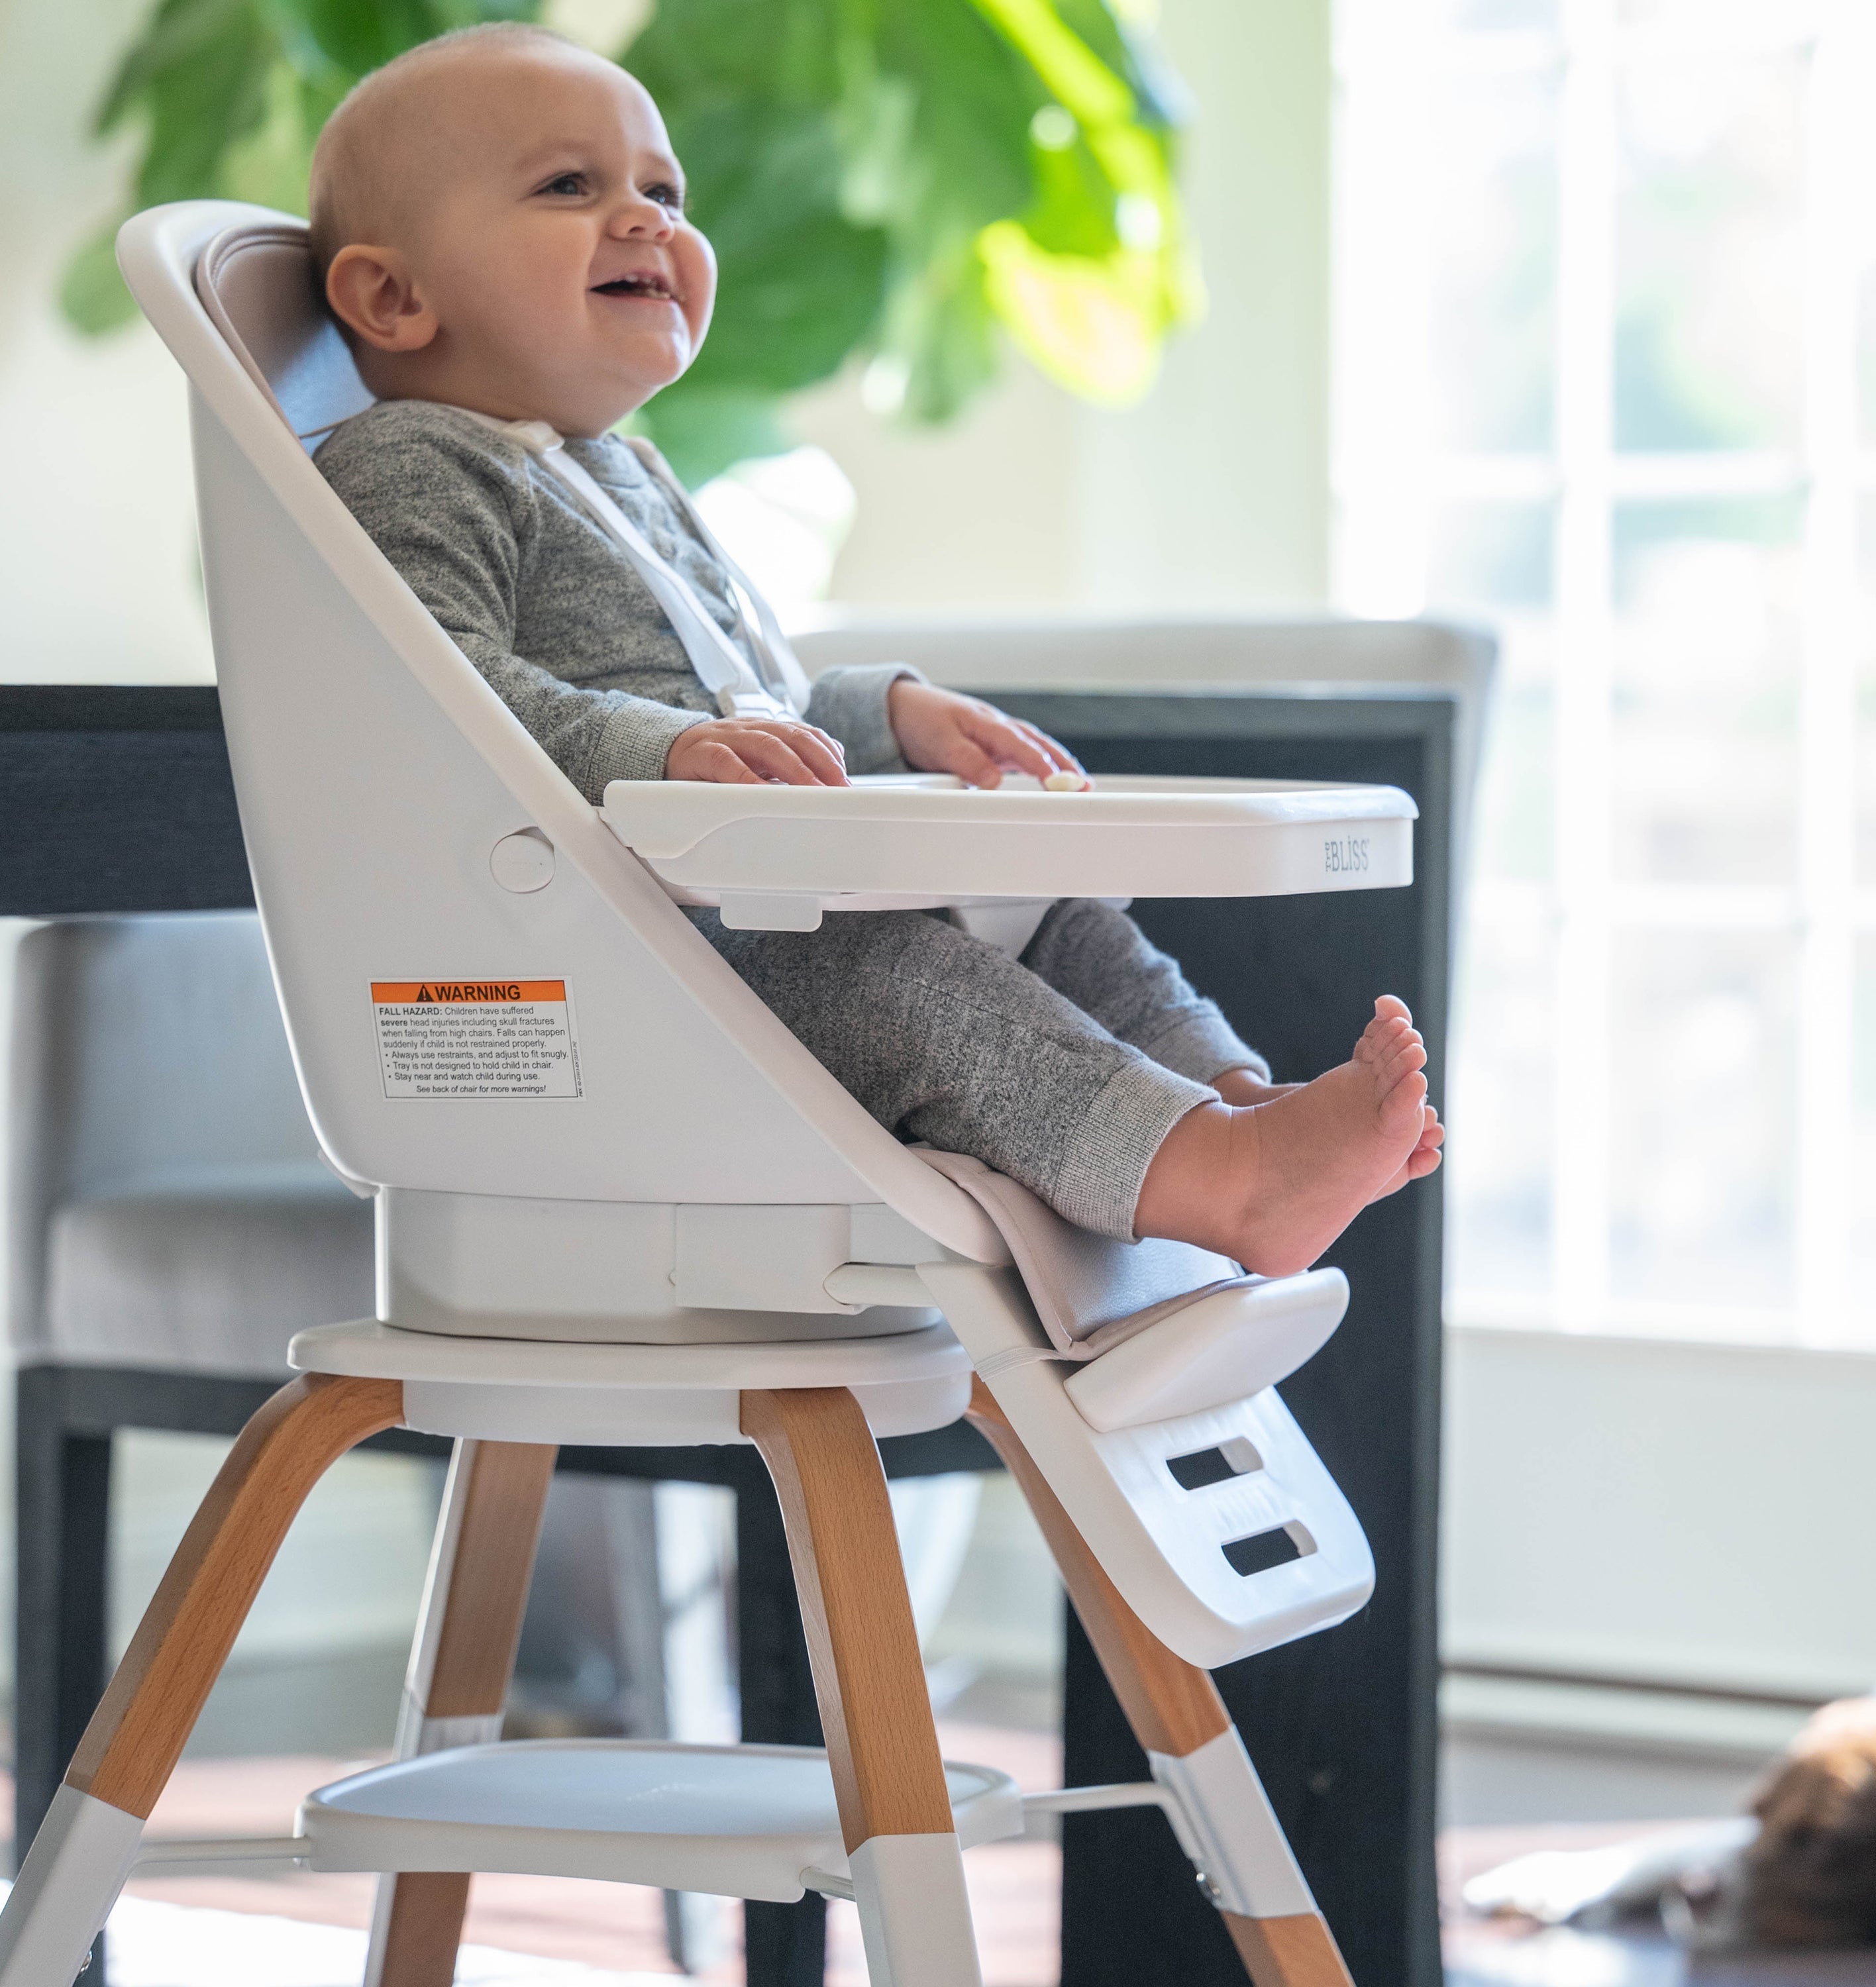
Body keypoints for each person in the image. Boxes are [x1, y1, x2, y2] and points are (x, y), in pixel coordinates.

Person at [307, 23, 1442, 1274]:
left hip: (720, 908)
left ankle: (1230, 1108)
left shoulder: (619, 469)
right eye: (569, 185)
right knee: (891, 975)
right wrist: (668, 748)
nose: (643, 219)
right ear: (393, 298)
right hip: (610, 974)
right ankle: (1220, 1178)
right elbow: (425, 701)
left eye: (662, 190)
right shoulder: (413, 461)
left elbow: (739, 699)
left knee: (1052, 915)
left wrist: (876, 712)